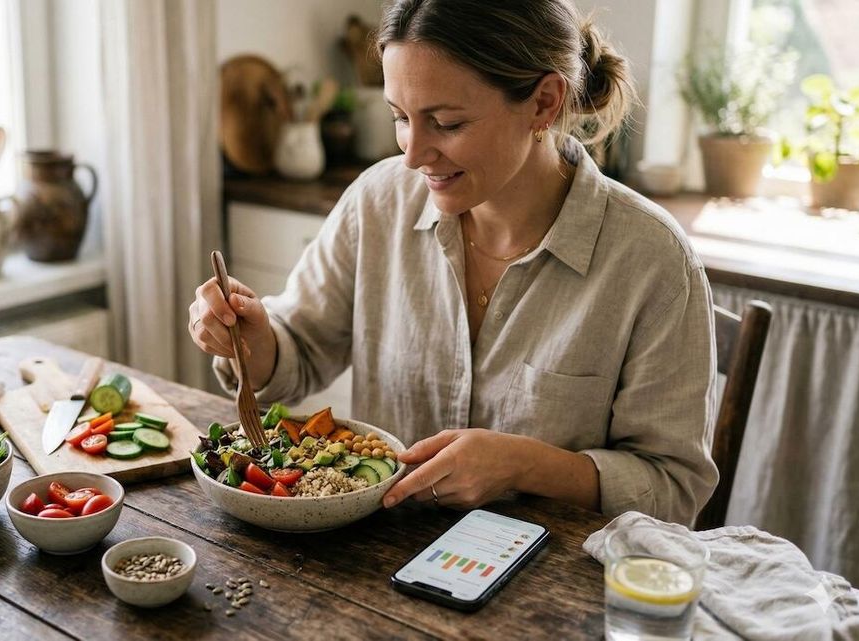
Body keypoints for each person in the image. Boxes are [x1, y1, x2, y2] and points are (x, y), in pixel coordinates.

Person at [189, 0, 717, 525]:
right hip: (377, 553)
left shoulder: (653, 260)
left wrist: (525, 466)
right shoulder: (377, 202)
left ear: (543, 103)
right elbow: (298, 352)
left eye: (446, 123)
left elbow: (674, 490)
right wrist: (253, 339)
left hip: (551, 568)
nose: (413, 154)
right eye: (400, 117)